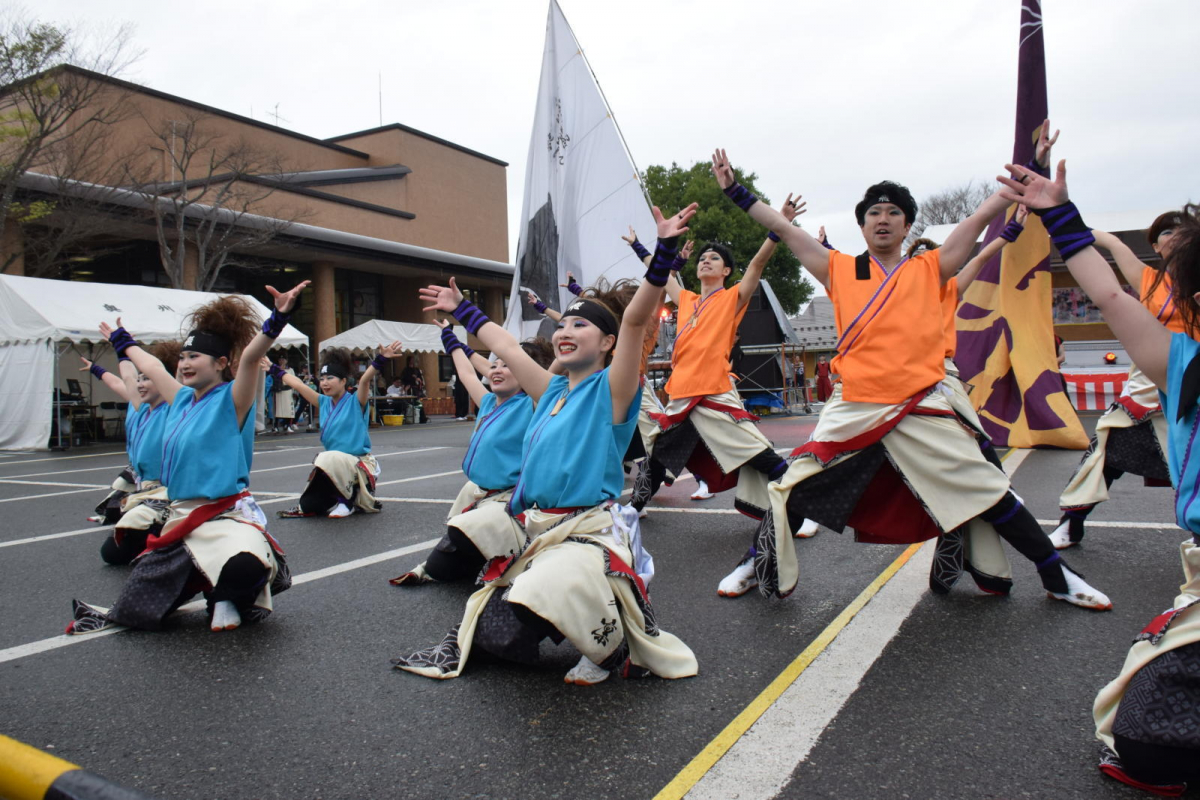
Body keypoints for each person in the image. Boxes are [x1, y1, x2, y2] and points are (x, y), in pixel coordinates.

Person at [710, 145, 1109, 610]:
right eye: (874, 212)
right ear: (861, 225)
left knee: (990, 490)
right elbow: (782, 227)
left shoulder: (931, 267)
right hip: (856, 403)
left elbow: (979, 219)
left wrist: (1024, 180)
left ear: (906, 224)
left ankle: (1056, 574)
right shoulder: (838, 268)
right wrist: (736, 192)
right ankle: (754, 563)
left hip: (921, 402)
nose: (883, 218)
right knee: (794, 488)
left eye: (894, 212)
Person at [393, 205, 700, 685]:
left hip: (585, 533)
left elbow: (637, 320)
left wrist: (660, 256)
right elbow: (510, 348)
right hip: (540, 532)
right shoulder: (552, 391)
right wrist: (462, 311)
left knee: (542, 590)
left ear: (606, 345)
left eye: (581, 327)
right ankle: (574, 613)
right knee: (498, 637)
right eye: (563, 326)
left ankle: (610, 646)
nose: (565, 333)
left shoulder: (613, 391)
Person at [994, 164, 1200, 792]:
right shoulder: (1181, 358)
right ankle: (1072, 526)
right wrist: (1059, 214)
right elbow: (1111, 296)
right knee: (1140, 742)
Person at [67, 285, 304, 635]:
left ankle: (223, 598)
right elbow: (146, 365)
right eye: (183, 357)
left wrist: (278, 318)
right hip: (180, 516)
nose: (185, 364)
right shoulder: (179, 399)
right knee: (137, 607)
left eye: (194, 357)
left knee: (248, 565)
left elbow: (252, 357)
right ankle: (205, 584)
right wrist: (122, 340)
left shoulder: (232, 400)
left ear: (221, 363)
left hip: (225, 515)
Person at [643, 193, 813, 596]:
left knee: (775, 469)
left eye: (714, 259)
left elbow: (756, 264)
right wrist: (660, 240)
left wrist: (778, 226)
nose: (706, 261)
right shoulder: (684, 300)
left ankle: (776, 537)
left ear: (726, 271)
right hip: (681, 402)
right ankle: (618, 535)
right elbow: (660, 271)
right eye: (702, 257)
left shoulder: (732, 297)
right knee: (652, 469)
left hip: (718, 400)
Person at [1051, 212, 1188, 550]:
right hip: (1150, 379)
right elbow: (1110, 242)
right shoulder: (1150, 279)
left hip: (1192, 384)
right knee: (1105, 450)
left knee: (1190, 462)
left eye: (1182, 229)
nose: (1175, 236)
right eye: (1166, 232)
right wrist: (1058, 217)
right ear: (1155, 246)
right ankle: (1072, 522)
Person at [392, 323, 553, 586]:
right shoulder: (488, 402)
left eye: (507, 365)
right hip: (482, 494)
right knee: (439, 570)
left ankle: (512, 554)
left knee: (460, 538)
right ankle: (484, 555)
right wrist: (451, 338)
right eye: (495, 365)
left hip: (512, 501)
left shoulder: (534, 405)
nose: (498, 370)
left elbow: (541, 377)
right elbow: (466, 372)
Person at [275, 344, 399, 519]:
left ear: (343, 381)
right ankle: (343, 497)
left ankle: (347, 501)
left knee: (326, 457)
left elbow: (364, 380)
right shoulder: (323, 402)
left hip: (358, 464)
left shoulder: (357, 401)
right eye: (322, 378)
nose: (324, 383)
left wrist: (381, 359)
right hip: (334, 466)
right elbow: (299, 385)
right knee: (309, 506)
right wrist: (273, 368)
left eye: (330, 378)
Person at [90, 337, 182, 565]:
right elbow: (123, 379)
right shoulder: (139, 407)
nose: (140, 384)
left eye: (147, 379)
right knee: (113, 546)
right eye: (140, 379)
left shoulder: (173, 409)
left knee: (113, 552)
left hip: (165, 491)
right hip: (139, 484)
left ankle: (172, 538)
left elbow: (163, 374)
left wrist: (125, 342)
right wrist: (99, 366)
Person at [271, 355, 297, 434]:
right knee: (278, 409)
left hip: (288, 390)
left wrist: (294, 391)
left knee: (289, 409)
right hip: (279, 391)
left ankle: (288, 425)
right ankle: (275, 426)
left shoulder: (290, 370)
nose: (282, 361)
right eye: (280, 359)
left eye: (283, 359)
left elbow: (294, 379)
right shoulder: (276, 369)